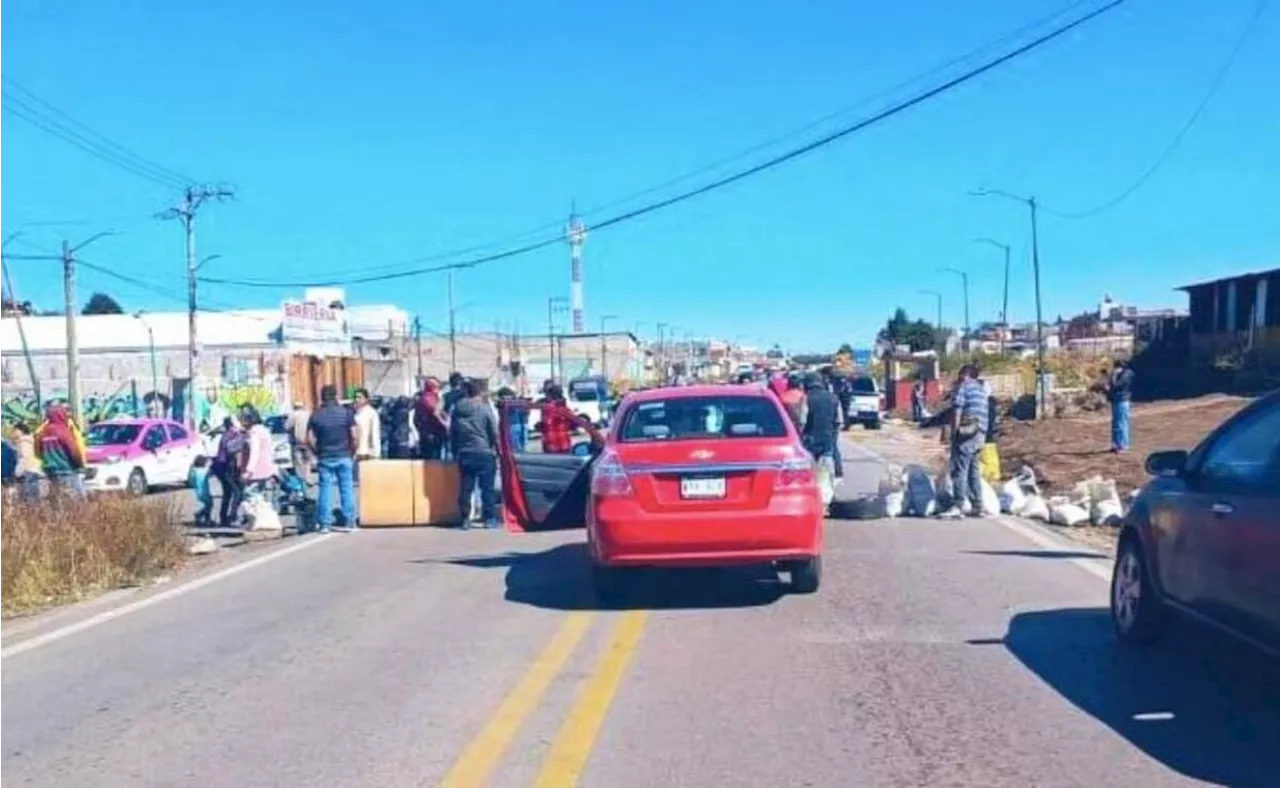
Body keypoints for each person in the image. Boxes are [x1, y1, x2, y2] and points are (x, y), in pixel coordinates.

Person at [449, 378, 501, 529]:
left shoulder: (457, 410)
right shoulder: (484, 409)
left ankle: (465, 518)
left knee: (466, 487)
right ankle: (489, 518)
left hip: (465, 452)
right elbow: (493, 430)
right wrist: (495, 447)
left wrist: (455, 451)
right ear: (478, 393)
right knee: (487, 488)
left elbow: (452, 433)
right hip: (484, 452)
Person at [308, 384, 359, 533]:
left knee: (325, 489)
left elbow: (309, 438)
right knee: (346, 488)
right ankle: (350, 521)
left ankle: (324, 523)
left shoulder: (316, 415)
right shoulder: (346, 413)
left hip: (325, 456)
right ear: (336, 396)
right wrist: (352, 451)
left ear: (322, 397)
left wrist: (316, 452)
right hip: (344, 454)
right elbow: (355, 435)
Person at [939, 364, 988, 519]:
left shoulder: (963, 387)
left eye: (960, 375)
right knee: (973, 471)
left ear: (966, 375)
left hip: (967, 433)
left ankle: (958, 505)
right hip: (980, 434)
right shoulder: (981, 390)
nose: (958, 378)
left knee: (959, 470)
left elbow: (957, 410)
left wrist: (953, 434)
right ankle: (978, 506)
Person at [34, 404, 87, 498]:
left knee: (57, 498)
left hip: (50, 471)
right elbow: (74, 451)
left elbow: (37, 453)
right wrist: (80, 465)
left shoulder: (42, 432)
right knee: (78, 498)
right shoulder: (64, 431)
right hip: (67, 469)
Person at [212, 416, 247, 526]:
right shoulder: (232, 435)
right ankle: (232, 516)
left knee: (228, 493)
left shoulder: (227, 434)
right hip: (226, 467)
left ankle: (224, 518)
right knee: (237, 492)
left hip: (221, 467)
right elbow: (232, 449)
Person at [535, 384, 589, 454]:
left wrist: (540, 426)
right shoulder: (565, 409)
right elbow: (573, 425)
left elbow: (545, 425)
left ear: (550, 395)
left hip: (550, 444)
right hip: (563, 444)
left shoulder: (546, 409)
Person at [240, 407, 277, 500]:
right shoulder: (264, 430)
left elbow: (254, 452)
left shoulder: (254, 432)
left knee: (251, 497)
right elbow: (271, 450)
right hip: (266, 469)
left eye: (244, 419)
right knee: (261, 496)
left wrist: (249, 470)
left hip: (256, 471)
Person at [414, 377, 449, 460]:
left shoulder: (433, 398)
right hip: (431, 435)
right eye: (437, 387)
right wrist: (445, 424)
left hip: (435, 434)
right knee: (432, 459)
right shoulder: (427, 398)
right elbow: (435, 412)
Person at [1104, 358, 1135, 453]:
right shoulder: (1120, 374)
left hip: (1122, 400)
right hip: (1116, 400)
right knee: (1115, 423)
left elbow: (1117, 385)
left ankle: (1123, 445)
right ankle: (1116, 444)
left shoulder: (1127, 374)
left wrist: (1113, 375)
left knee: (1121, 423)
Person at [11, 422, 43, 501]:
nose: (14, 432)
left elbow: (25, 458)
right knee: (34, 496)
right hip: (34, 470)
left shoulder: (23, 442)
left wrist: (18, 471)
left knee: (29, 498)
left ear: (22, 431)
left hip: (27, 471)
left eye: (15, 430)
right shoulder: (29, 440)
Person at [285, 401, 313, 479]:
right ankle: (308, 477)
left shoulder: (293, 415)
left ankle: (301, 478)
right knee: (307, 461)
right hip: (307, 441)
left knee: (298, 462)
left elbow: (287, 427)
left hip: (297, 442)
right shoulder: (308, 414)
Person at [353, 388, 381, 464]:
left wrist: (376, 453)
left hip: (367, 453)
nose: (357, 399)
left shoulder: (372, 413)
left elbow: (375, 433)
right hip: (356, 453)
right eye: (355, 397)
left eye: (359, 397)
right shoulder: (355, 413)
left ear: (366, 399)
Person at [189, 455, 214, 526]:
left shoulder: (194, 471)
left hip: (198, 491)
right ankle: (200, 515)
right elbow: (210, 473)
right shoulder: (203, 471)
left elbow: (190, 480)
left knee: (208, 505)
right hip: (204, 491)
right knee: (209, 505)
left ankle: (207, 519)